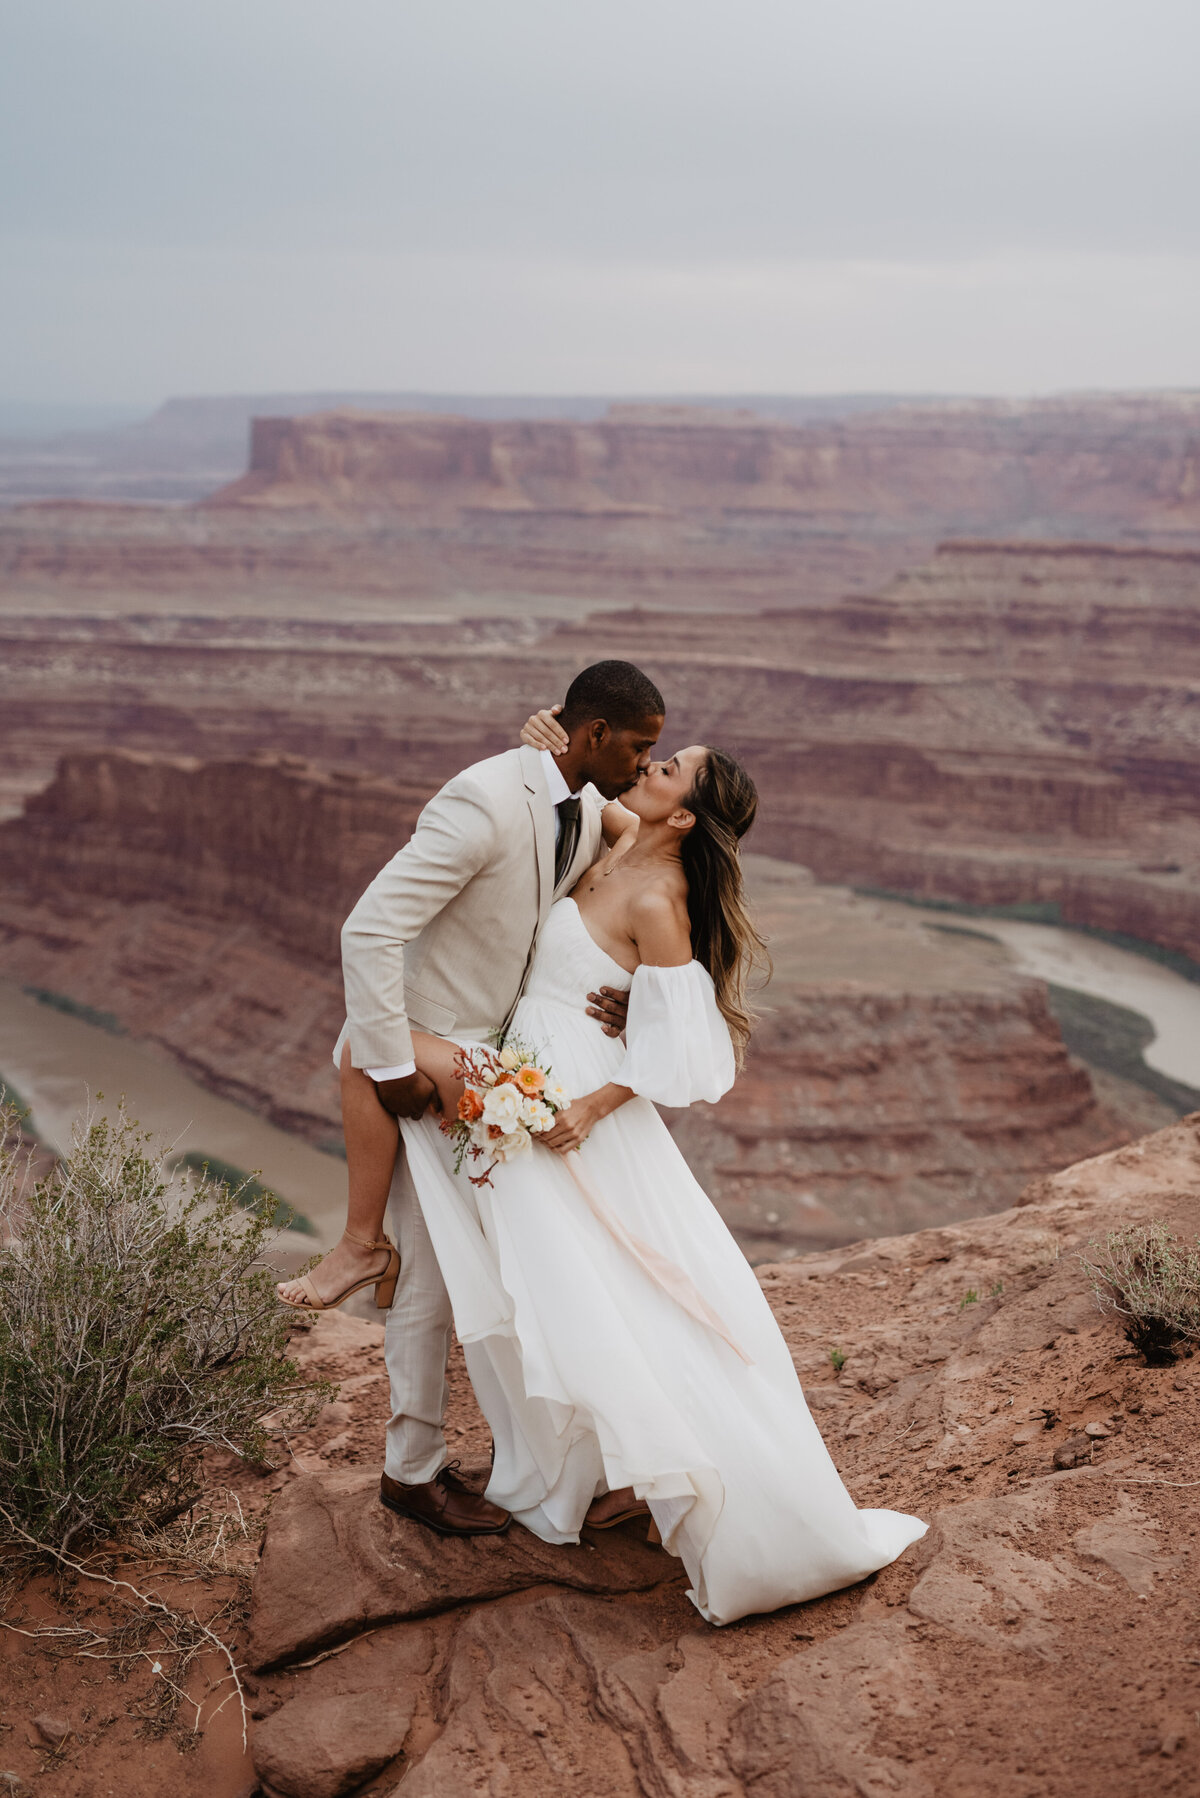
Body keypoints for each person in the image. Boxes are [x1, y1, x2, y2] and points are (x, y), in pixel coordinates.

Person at [393, 709, 927, 1625]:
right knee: (559, 1289)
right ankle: (611, 1467)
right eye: (655, 755)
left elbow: (692, 1053)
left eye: (669, 768)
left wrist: (594, 1102)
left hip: (573, 1112)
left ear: (685, 816)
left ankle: (676, 1470)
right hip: (530, 1081)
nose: (650, 766)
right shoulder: (617, 833)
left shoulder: (658, 902)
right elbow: (574, 784)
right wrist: (537, 736)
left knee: (606, 1289)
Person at [277, 660, 667, 1539]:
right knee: (445, 1268)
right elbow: (369, 929)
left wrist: (646, 994)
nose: (649, 763)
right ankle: (417, 1467)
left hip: (497, 1062)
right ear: (596, 734)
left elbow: (629, 901)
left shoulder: (590, 807)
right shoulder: (483, 802)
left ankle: (415, 1467)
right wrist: (390, 1068)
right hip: (429, 1061)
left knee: (439, 1268)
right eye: (640, 746)